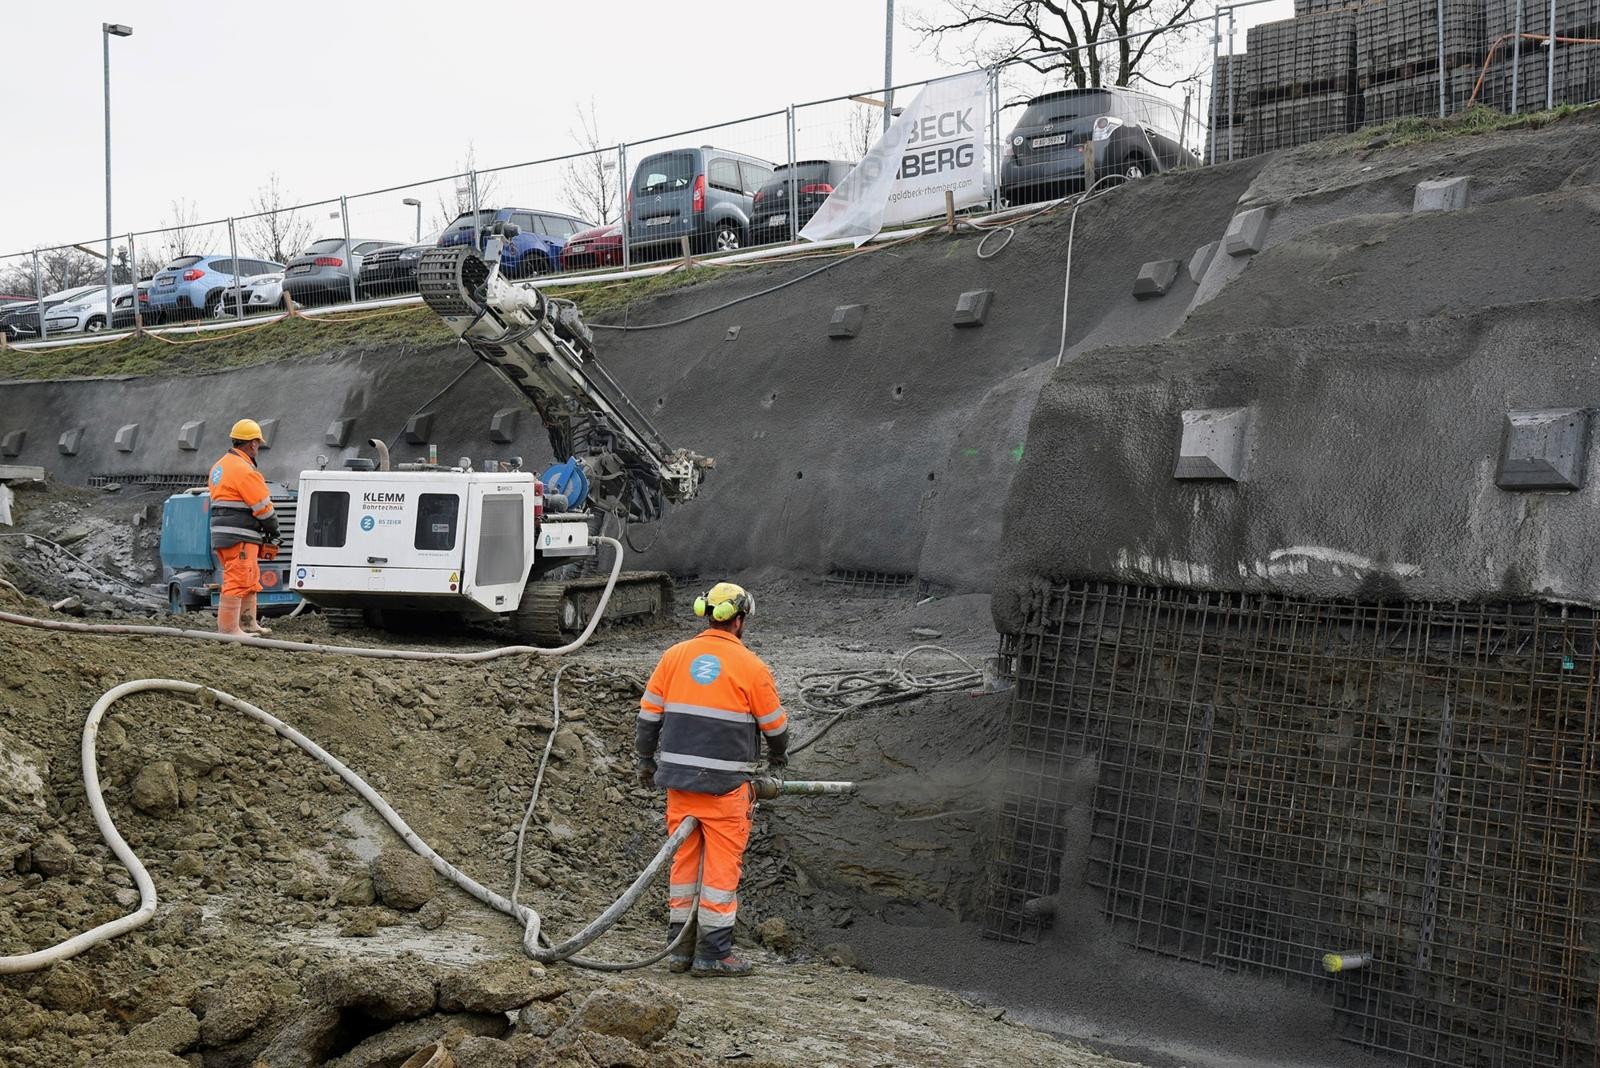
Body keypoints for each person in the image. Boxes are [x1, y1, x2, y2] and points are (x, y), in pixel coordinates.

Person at [635, 582, 788, 977]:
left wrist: (646, 763)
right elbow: (775, 726)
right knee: (721, 869)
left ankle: (679, 951)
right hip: (726, 790)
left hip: (679, 786)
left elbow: (648, 718)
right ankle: (713, 954)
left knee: (683, 863)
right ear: (738, 620)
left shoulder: (674, 657)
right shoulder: (751, 666)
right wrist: (778, 760)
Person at [208, 419, 281, 637]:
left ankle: (248, 624)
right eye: (258, 443)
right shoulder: (245, 470)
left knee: (249, 577)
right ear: (253, 444)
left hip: (224, 533)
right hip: (239, 535)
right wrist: (274, 530)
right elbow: (263, 508)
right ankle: (229, 629)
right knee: (238, 578)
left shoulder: (219, 466)